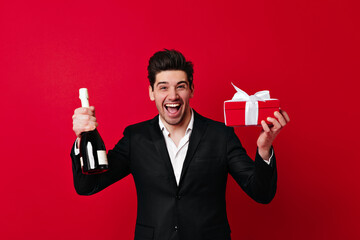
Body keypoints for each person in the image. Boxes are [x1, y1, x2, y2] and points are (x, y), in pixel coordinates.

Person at [71, 49, 290, 240]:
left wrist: (264, 148)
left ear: (191, 90)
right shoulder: (135, 138)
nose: (172, 96)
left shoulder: (220, 135)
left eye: (181, 86)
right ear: (152, 92)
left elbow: (262, 193)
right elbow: (88, 186)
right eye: (163, 87)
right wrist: (81, 139)